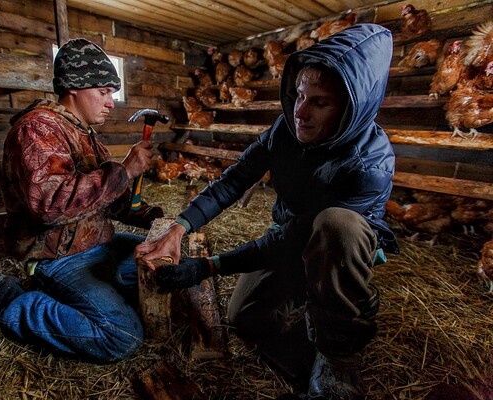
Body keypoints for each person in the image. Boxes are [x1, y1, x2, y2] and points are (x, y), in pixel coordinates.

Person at [135, 24, 399, 400]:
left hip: (335, 245)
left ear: (352, 110)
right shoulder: (287, 127)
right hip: (290, 231)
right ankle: (310, 368)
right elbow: (236, 178)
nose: (300, 112)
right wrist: (181, 225)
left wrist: (211, 266)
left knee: (336, 226)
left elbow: (292, 240)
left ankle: (339, 355)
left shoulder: (368, 164)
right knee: (245, 318)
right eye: (300, 95)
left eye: (319, 102)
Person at [0, 38, 164, 363]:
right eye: (103, 92)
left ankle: (84, 299)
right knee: (121, 336)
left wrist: (157, 219)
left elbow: (106, 201)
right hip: (59, 257)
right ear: (74, 89)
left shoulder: (86, 135)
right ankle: (5, 298)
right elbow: (49, 205)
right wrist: (123, 171)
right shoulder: (37, 130)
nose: (111, 102)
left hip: (99, 245)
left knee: (161, 264)